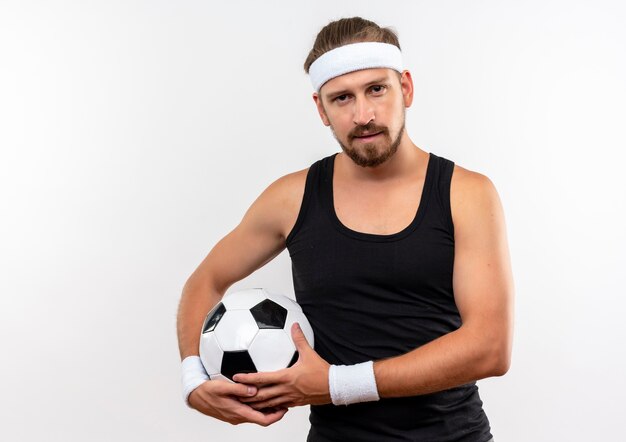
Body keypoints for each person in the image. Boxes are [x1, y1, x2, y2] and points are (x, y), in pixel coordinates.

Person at [176, 16, 514, 442]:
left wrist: (336, 384)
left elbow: (490, 346)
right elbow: (205, 280)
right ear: (321, 109)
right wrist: (194, 378)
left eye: (377, 89)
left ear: (405, 88)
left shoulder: (466, 194)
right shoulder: (292, 197)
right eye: (341, 98)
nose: (363, 115)